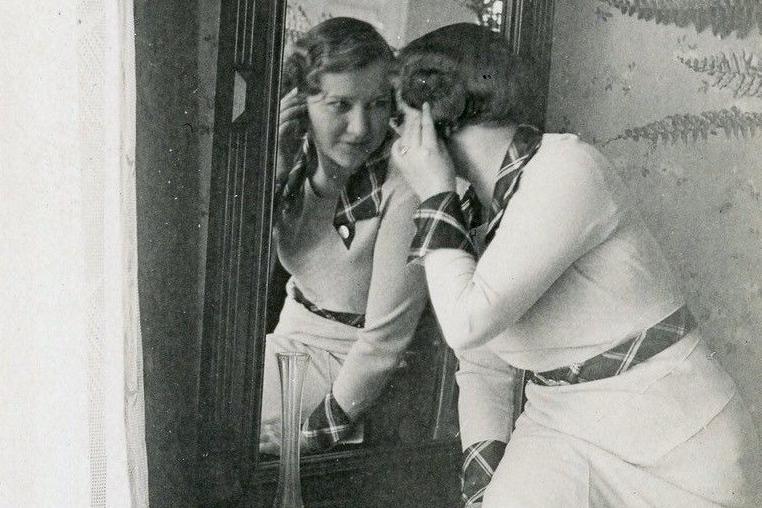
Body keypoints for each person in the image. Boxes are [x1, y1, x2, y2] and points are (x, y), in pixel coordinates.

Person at [391, 23, 762, 507]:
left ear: (430, 119)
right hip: (560, 423)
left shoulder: (566, 168)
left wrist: (434, 193)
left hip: (678, 441)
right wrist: (483, 487)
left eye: (400, 121)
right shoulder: (473, 209)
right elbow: (481, 363)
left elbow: (466, 322)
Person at [258, 17, 427, 455]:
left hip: (357, 376)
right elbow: (247, 272)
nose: (361, 127)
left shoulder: (404, 184)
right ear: (301, 102)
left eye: (376, 104)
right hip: (289, 343)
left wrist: (310, 436)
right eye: (340, 105)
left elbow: (386, 342)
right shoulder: (293, 163)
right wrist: (275, 166)